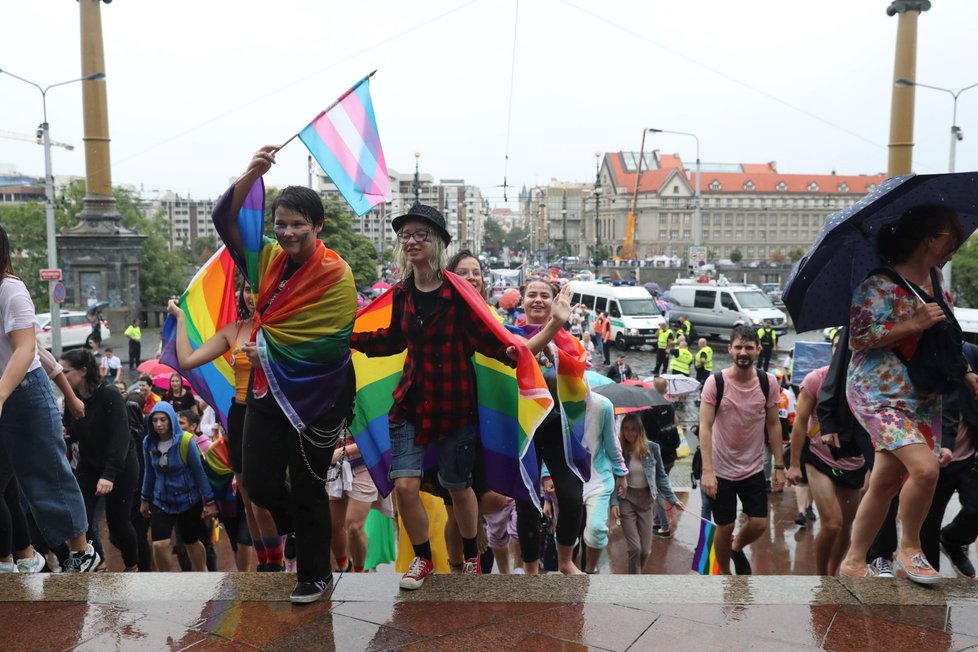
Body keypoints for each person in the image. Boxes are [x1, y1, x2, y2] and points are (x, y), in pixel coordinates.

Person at [351, 205, 525, 589]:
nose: (412, 241)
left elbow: (486, 339)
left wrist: (515, 354)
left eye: (421, 234)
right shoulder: (402, 293)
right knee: (405, 487)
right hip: (410, 403)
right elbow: (393, 339)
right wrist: (349, 337)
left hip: (454, 406)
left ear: (439, 243)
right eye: (406, 235)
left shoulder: (457, 293)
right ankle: (423, 559)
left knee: (457, 486)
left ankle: (472, 558)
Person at [212, 146, 358, 602]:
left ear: (318, 227)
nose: (289, 231)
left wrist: (268, 354)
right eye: (281, 223)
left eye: (299, 223)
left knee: (311, 484)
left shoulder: (337, 274)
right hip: (265, 389)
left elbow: (331, 343)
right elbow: (225, 218)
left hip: (320, 393)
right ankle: (301, 527)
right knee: (256, 480)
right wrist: (253, 171)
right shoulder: (265, 258)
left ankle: (313, 575)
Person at [839, 205, 977, 584]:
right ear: (931, 240)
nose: (957, 245)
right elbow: (858, 337)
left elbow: (945, 341)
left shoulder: (936, 281)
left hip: (920, 395)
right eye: (953, 237)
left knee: (884, 481)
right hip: (877, 393)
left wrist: (966, 373)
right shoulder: (877, 284)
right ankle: (909, 548)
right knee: (926, 469)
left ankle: (853, 560)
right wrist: (912, 322)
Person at [0, 226, 100, 573]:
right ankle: (20, 558)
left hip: (25, 394)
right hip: (5, 396)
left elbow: (29, 349)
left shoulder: (10, 290)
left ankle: (82, 551)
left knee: (47, 473)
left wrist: (70, 397)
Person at [168, 280, 285, 572]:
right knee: (246, 496)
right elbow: (187, 359)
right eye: (247, 289)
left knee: (261, 496)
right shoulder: (233, 330)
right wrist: (181, 319)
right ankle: (266, 563)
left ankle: (276, 563)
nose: (251, 295)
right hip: (240, 415)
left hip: (270, 415)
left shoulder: (281, 327)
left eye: (257, 289)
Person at [512, 279, 590, 576]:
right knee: (527, 502)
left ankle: (566, 560)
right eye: (531, 294)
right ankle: (530, 566)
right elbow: (516, 358)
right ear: (522, 302)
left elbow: (578, 381)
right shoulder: (512, 335)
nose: (538, 300)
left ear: (554, 302)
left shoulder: (568, 341)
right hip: (526, 431)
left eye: (545, 295)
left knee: (572, 497)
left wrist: (557, 344)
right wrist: (553, 328)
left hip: (560, 432)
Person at [699, 325, 783, 575]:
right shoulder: (716, 382)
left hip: (752, 467)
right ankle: (724, 574)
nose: (743, 352)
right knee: (724, 527)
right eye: (738, 347)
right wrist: (707, 471)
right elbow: (704, 426)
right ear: (730, 349)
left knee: (758, 523)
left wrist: (779, 466)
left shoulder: (768, 383)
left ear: (758, 349)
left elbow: (773, 424)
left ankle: (736, 548)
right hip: (720, 469)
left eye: (748, 347)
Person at [786, 333, 866, 576]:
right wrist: (794, 465)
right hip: (819, 458)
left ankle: (833, 576)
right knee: (832, 524)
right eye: (838, 346)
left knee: (846, 529)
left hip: (855, 462)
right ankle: (823, 577)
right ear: (832, 349)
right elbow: (800, 422)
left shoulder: (869, 383)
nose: (844, 351)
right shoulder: (815, 379)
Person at [61, 348, 140, 572]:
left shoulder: (109, 395)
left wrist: (109, 475)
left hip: (120, 466)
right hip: (89, 464)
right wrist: (66, 433)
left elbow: (120, 437)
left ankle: (132, 566)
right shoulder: (72, 397)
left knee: (118, 524)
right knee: (80, 518)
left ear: (83, 371)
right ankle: (99, 563)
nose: (60, 375)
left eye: (65, 371)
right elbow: (75, 430)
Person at [140, 402, 218, 571]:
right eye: (155, 421)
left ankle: (201, 572)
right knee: (159, 545)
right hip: (161, 499)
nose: (159, 424)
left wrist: (210, 501)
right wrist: (144, 499)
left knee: (191, 542)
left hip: (188, 500)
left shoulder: (186, 441)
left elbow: (199, 473)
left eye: (163, 420)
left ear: (171, 420)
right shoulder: (148, 442)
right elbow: (149, 472)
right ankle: (169, 585)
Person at [612, 412, 684, 574]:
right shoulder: (619, 451)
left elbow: (661, 476)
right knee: (634, 548)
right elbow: (612, 478)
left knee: (645, 550)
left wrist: (673, 499)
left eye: (633, 429)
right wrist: (614, 503)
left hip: (646, 502)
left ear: (640, 430)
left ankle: (635, 577)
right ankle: (635, 581)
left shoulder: (652, 448)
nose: (630, 433)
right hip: (626, 500)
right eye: (626, 429)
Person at [579, 393, 627, 574]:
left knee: (597, 529)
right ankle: (567, 571)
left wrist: (621, 472)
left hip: (597, 477)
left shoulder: (603, 405)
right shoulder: (555, 400)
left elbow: (611, 441)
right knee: (565, 535)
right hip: (567, 476)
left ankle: (590, 570)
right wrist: (546, 475)